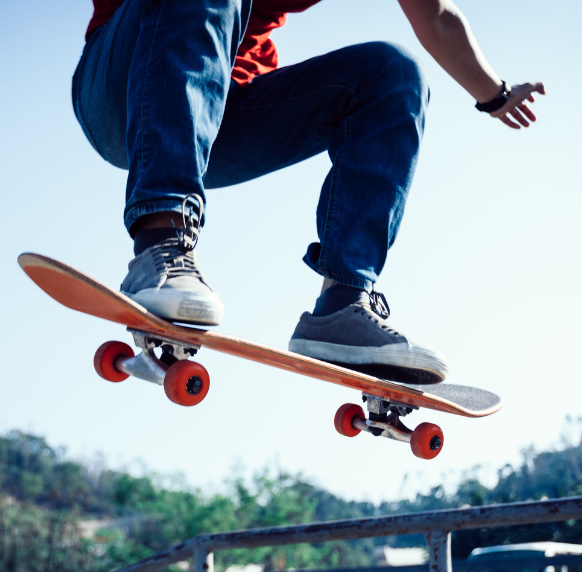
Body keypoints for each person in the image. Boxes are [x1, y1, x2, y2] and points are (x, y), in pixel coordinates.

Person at [72, 0, 544, 384]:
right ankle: (162, 248)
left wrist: (496, 95)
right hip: (123, 83)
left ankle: (343, 304)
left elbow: (435, 15)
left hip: (224, 115)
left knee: (392, 73)